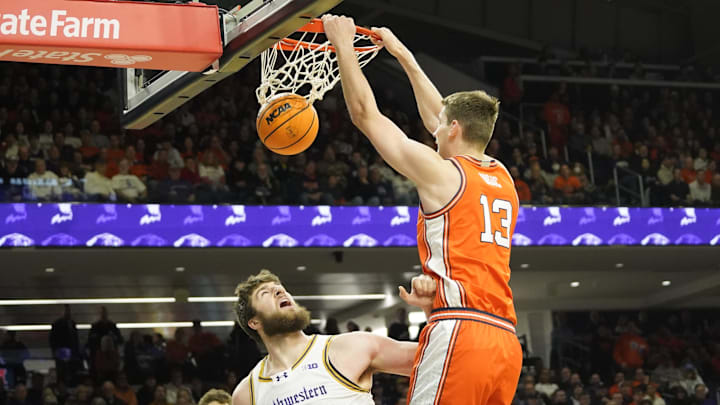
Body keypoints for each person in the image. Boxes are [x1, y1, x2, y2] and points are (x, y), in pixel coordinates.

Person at [323, 14, 522, 405]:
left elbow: (366, 116)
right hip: (504, 342)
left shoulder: (442, 174)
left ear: (453, 130)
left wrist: (342, 44)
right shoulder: (503, 177)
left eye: (440, 129)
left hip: (461, 330)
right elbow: (440, 115)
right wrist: (401, 54)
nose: (433, 131)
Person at [230, 269, 435, 404]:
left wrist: (431, 310)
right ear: (254, 322)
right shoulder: (247, 394)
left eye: (280, 289)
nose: (279, 292)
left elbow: (442, 363)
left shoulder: (350, 347)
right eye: (265, 293)